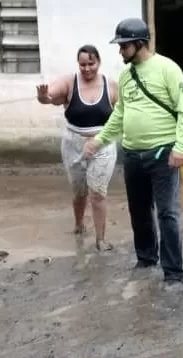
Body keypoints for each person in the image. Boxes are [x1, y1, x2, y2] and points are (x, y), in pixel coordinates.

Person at [83, 18, 183, 286]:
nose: (120, 51)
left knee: (167, 213)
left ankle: (173, 272)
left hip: (163, 154)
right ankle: (146, 258)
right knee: (139, 210)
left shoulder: (168, 69)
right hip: (132, 155)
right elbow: (120, 114)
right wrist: (99, 140)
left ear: (139, 43)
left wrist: (180, 147)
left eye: (124, 46)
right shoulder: (126, 76)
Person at [36, 45, 118, 251]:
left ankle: (101, 239)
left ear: (99, 63)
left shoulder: (111, 86)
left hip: (103, 144)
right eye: (83, 64)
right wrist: (44, 97)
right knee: (79, 191)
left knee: (98, 192)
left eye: (91, 64)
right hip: (73, 143)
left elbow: (123, 113)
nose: (87, 68)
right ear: (78, 65)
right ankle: (79, 225)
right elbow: (50, 96)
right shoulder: (69, 83)